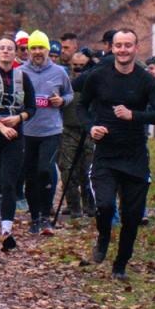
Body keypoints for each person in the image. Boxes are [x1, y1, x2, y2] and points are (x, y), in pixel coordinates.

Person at [81, 28, 155, 278]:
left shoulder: (145, 80)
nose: (122, 50)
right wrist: (91, 127)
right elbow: (81, 107)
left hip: (134, 156)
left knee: (132, 216)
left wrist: (134, 116)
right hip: (106, 155)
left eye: (127, 45)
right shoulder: (98, 77)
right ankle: (104, 236)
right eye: (118, 45)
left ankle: (120, 264)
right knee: (105, 205)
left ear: (135, 47)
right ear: (112, 48)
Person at [0, 36, 36, 250]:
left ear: (15, 53)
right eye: (1, 48)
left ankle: (6, 230)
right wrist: (1, 126)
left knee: (9, 182)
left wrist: (19, 118)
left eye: (9, 49)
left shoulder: (23, 76)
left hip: (15, 136)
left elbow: (31, 107)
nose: (5, 52)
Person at [19, 31, 73, 235]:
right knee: (30, 175)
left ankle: (46, 215)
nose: (37, 52)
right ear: (28, 51)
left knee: (45, 170)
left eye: (41, 48)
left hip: (51, 130)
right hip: (27, 131)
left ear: (48, 50)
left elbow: (69, 95)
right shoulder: (20, 72)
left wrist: (62, 101)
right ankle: (35, 218)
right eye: (33, 48)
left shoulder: (59, 72)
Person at [58, 46, 98, 221]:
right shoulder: (64, 80)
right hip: (68, 130)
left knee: (87, 171)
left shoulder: (94, 80)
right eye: (75, 64)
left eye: (82, 64)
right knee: (67, 170)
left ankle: (90, 205)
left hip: (89, 131)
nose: (78, 68)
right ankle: (73, 206)